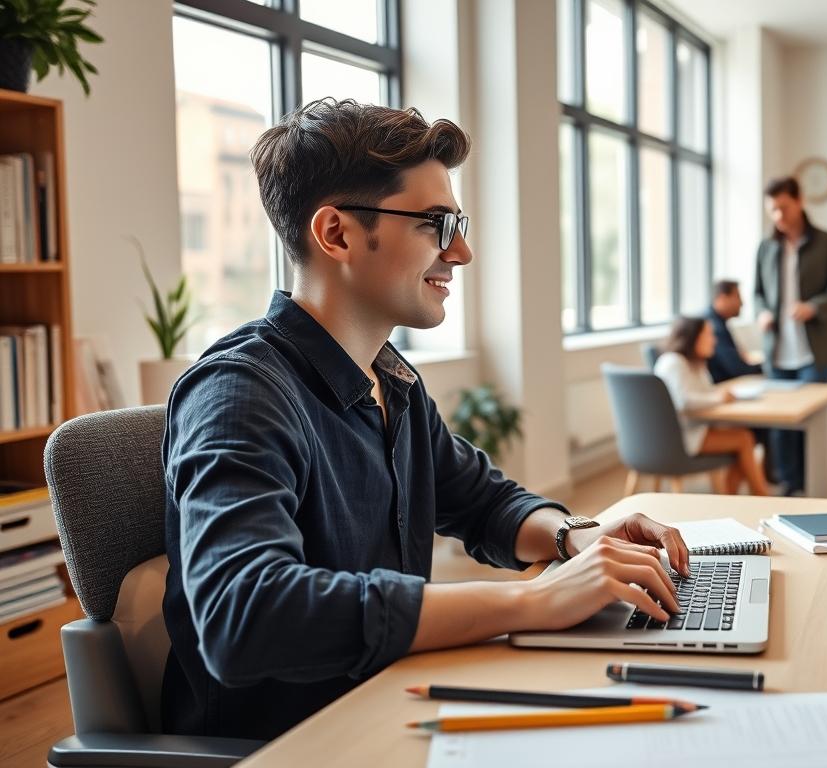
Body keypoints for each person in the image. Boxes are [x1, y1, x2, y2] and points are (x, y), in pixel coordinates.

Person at [160, 99, 690, 741]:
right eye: (436, 224)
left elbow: (483, 501)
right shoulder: (240, 393)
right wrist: (531, 600)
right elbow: (245, 615)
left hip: (391, 700)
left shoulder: (389, 379)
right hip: (302, 743)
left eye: (458, 223)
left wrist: (574, 535)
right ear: (336, 234)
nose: (461, 251)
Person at [753, 177, 827, 495]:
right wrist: (763, 312)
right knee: (782, 423)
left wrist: (814, 306)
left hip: (815, 348)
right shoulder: (766, 247)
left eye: (783, 208)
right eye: (772, 210)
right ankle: (790, 483)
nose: (778, 216)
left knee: (814, 418)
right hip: (778, 349)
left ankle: (815, 480)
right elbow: (757, 293)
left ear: (799, 201)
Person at [654, 316, 770, 496]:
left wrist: (719, 396)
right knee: (744, 439)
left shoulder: (694, 363)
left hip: (693, 428)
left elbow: (705, 392)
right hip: (679, 438)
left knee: (744, 436)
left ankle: (737, 495)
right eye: (708, 335)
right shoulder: (673, 362)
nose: (714, 340)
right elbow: (683, 401)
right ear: (693, 337)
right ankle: (760, 494)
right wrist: (719, 399)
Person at [705, 279, 762, 384]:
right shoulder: (713, 327)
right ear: (723, 298)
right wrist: (765, 367)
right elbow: (737, 369)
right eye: (737, 297)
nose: (742, 303)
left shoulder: (716, 321)